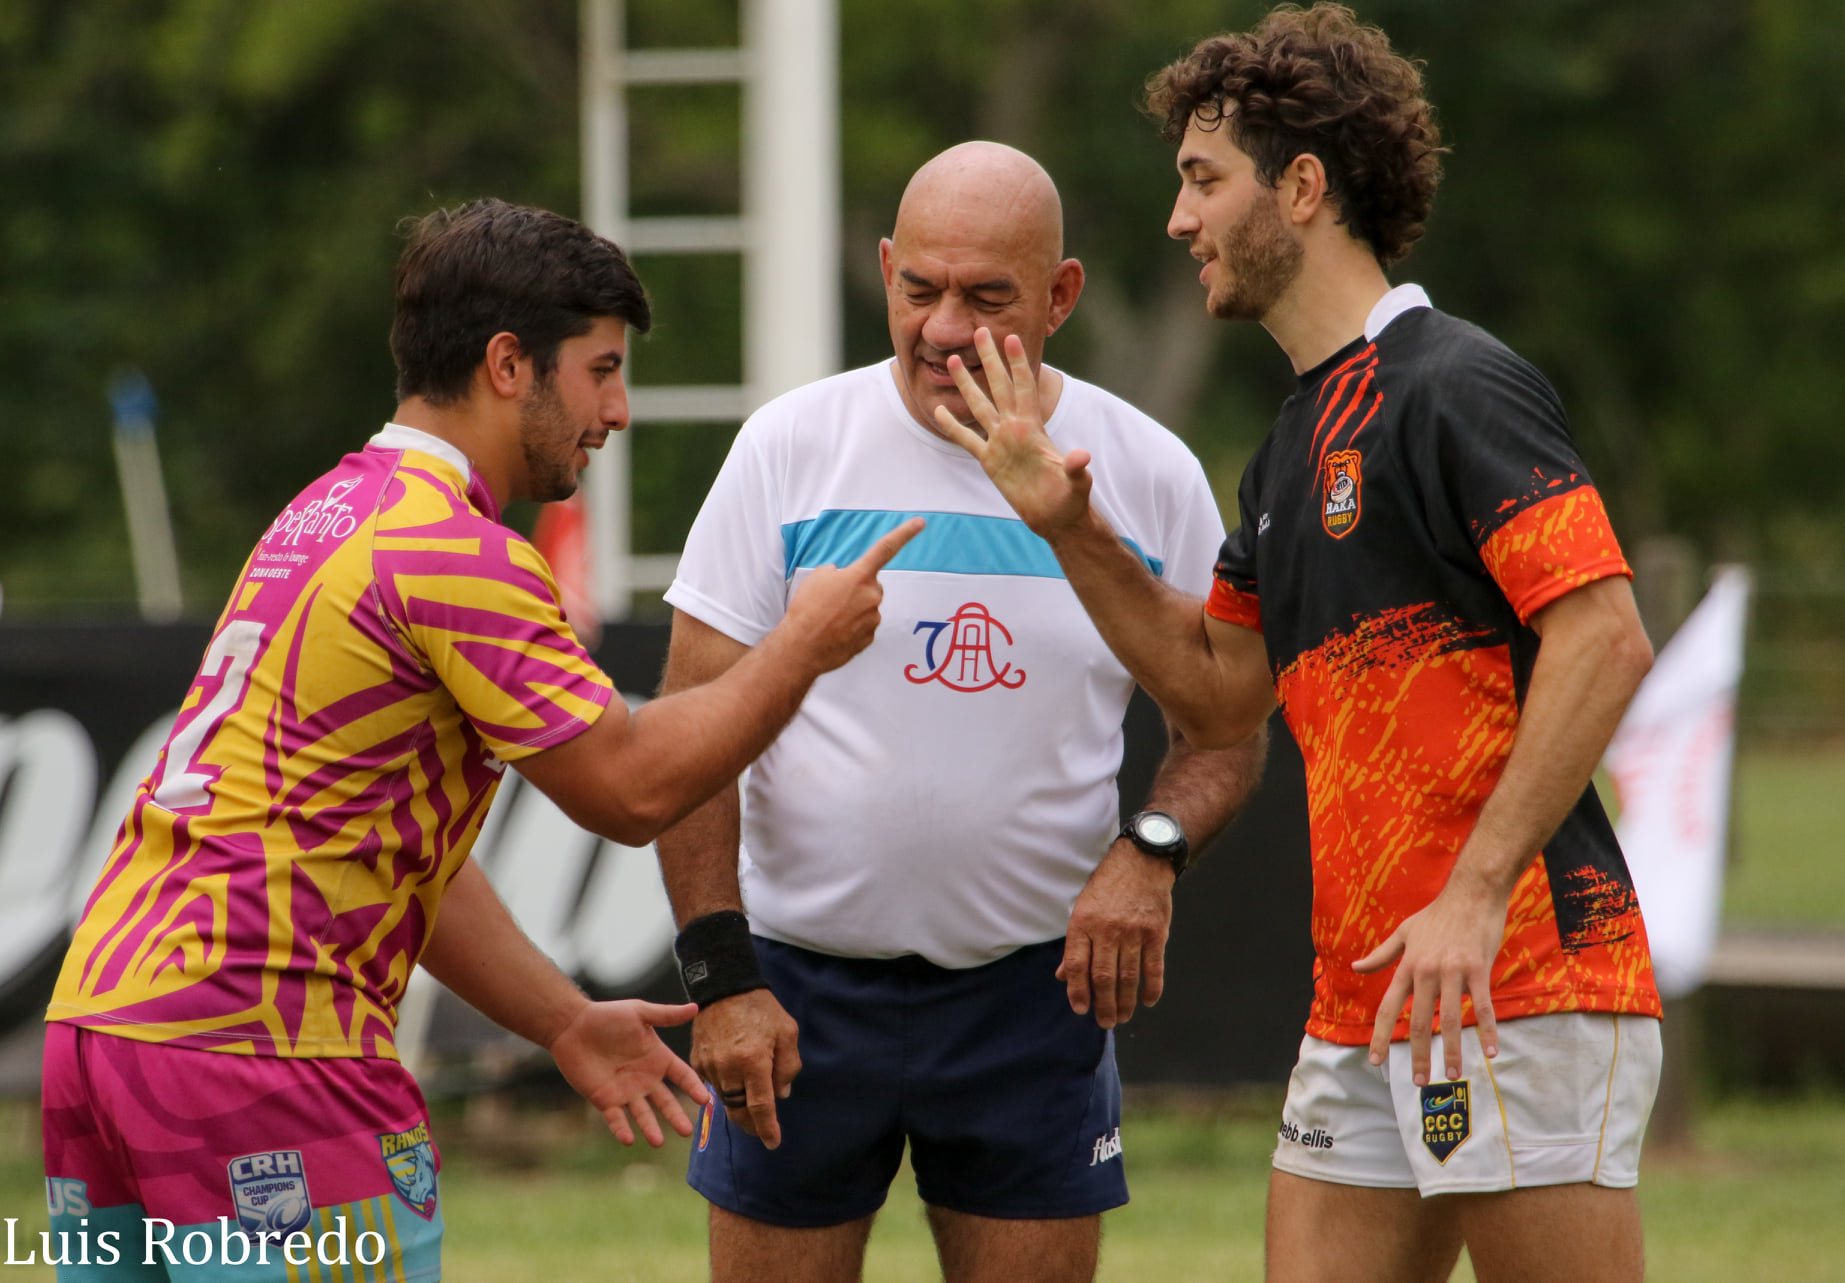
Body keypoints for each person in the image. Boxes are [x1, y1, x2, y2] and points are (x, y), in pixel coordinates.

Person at [41, 199, 917, 1282]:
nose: (619, 408)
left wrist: (561, 1019)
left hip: (104, 1034)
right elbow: (631, 787)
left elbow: (389, 851)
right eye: (599, 368)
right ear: (510, 364)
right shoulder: (456, 552)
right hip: (265, 1048)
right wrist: (802, 645)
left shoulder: (321, 512)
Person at [931, 9, 1663, 1282]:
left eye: (1204, 180)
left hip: (1523, 975)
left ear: (1305, 187)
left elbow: (1603, 636)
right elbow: (1218, 692)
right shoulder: (1287, 447)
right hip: (1363, 997)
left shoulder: (1451, 384)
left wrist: (1475, 891)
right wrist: (1069, 525)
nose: (1179, 219)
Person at [656, 142, 1267, 1283]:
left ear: (1061, 295)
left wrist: (1152, 852)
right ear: (884, 270)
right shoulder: (789, 448)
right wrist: (723, 978)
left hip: (1032, 995)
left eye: (987, 297)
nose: (943, 327)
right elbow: (691, 732)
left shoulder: (1147, 469)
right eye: (919, 288)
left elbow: (1227, 727)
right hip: (797, 989)